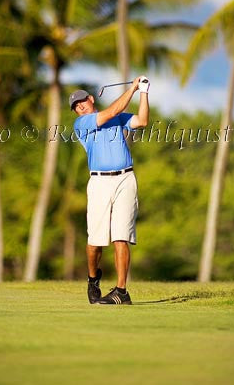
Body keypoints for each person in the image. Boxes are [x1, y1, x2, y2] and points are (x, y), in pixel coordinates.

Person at [69, 76, 150, 305]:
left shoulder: (117, 119)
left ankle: (121, 292)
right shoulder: (82, 124)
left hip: (125, 178)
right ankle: (93, 278)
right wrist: (133, 88)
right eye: (75, 106)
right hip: (99, 183)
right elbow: (112, 111)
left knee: (121, 236)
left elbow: (142, 121)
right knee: (95, 241)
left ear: (91, 99)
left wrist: (143, 91)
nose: (80, 106)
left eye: (82, 101)